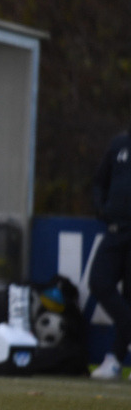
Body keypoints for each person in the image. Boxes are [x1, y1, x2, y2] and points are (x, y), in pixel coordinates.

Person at [88, 126, 131, 380]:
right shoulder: (119, 144)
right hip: (116, 230)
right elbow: (99, 181)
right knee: (99, 281)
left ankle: (115, 358)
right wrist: (101, 208)